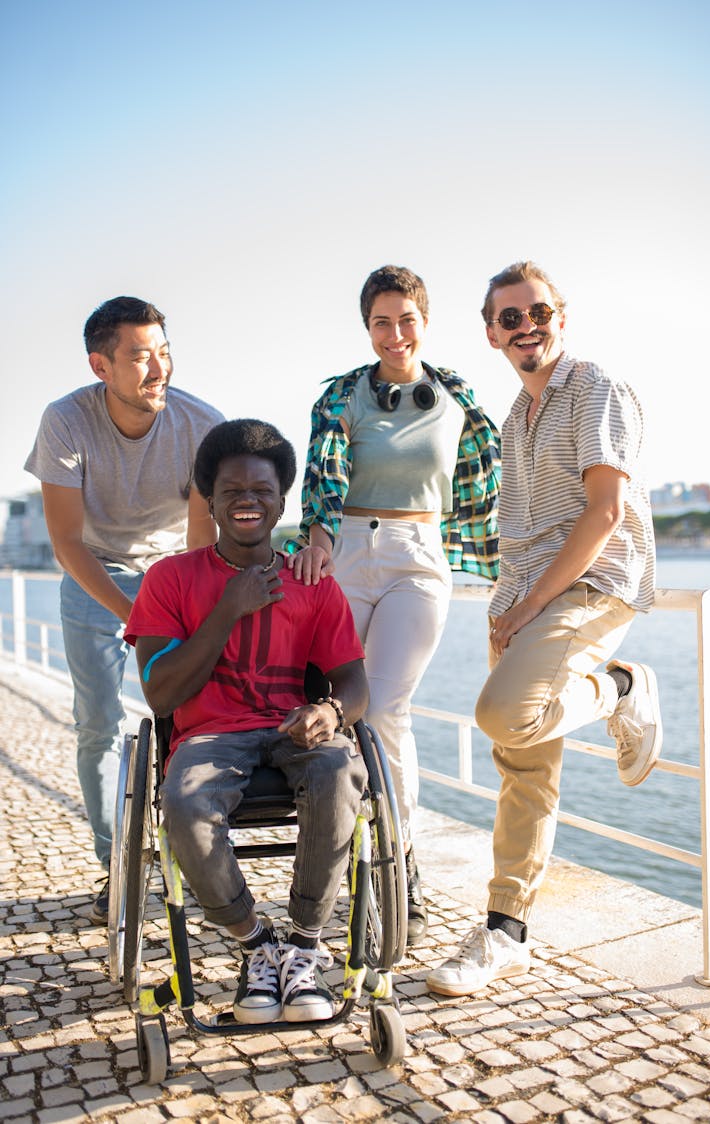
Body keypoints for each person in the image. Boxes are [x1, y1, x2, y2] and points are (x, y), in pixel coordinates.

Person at [426, 261, 661, 997]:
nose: (526, 327)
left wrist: (530, 608)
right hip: (532, 593)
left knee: (504, 714)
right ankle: (506, 931)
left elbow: (603, 514)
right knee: (520, 757)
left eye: (539, 313)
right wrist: (508, 602)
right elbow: (520, 532)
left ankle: (621, 687)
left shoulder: (596, 389)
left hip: (593, 587)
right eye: (510, 318)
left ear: (562, 316)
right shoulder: (513, 419)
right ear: (492, 334)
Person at [125, 418, 369, 1024]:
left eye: (261, 491)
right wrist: (229, 608)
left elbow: (358, 685)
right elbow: (160, 693)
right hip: (209, 735)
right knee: (180, 802)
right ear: (209, 501)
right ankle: (257, 944)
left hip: (293, 729)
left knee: (341, 767)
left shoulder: (311, 582)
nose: (247, 502)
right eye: (231, 491)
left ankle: (304, 948)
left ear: (282, 500)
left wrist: (331, 710)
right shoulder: (170, 579)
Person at [286, 265, 501, 945]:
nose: (395, 332)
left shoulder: (458, 395)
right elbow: (320, 476)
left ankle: (399, 860)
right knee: (347, 708)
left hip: (419, 554)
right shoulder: (340, 396)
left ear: (425, 322)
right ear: (367, 327)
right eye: (382, 321)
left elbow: (495, 478)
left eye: (407, 318)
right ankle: (353, 853)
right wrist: (315, 538)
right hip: (347, 550)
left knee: (387, 708)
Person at [24, 296, 223, 923]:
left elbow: (200, 542)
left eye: (164, 353)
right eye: (141, 357)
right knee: (98, 723)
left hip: (171, 573)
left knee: (189, 713)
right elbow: (66, 542)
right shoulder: (65, 421)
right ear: (101, 366)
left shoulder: (200, 424)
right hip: (93, 573)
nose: (159, 369)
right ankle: (118, 866)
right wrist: (128, 614)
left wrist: (171, 612)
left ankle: (188, 845)